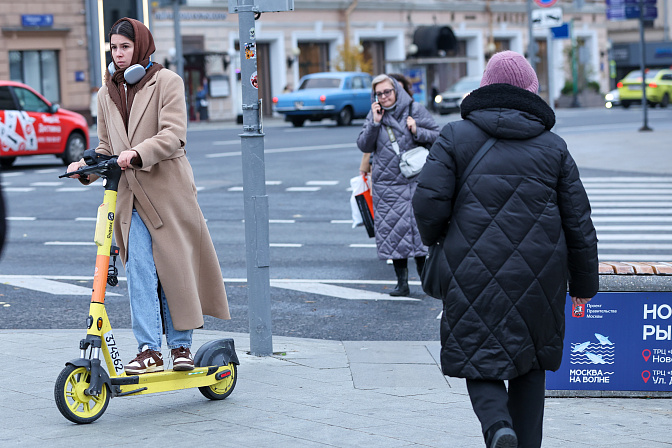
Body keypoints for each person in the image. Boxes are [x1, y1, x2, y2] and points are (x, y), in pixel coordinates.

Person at [412, 51, 598, 448]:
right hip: (541, 273)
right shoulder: (554, 147)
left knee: (477, 351)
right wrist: (584, 283)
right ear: (531, 91)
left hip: (471, 266)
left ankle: (498, 427)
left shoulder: (455, 135)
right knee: (530, 362)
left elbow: (427, 204)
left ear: (485, 87)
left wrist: (438, 240)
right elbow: (578, 221)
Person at [67, 18, 230, 375]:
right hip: (129, 196)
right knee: (140, 270)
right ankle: (149, 349)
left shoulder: (167, 82)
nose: (119, 54)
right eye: (113, 48)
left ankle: (182, 345)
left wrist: (139, 153)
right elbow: (107, 146)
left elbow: (174, 134)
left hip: (167, 191)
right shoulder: (105, 91)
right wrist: (87, 166)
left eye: (125, 47)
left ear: (140, 47)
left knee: (174, 268)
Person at [356, 74, 439, 296]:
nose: (384, 97)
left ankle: (426, 283)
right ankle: (402, 284)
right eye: (379, 94)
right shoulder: (374, 114)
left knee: (419, 234)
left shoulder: (415, 109)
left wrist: (416, 130)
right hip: (387, 183)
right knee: (394, 232)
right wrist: (374, 122)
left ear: (396, 91)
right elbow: (364, 144)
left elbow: (438, 136)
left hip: (415, 180)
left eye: (387, 92)